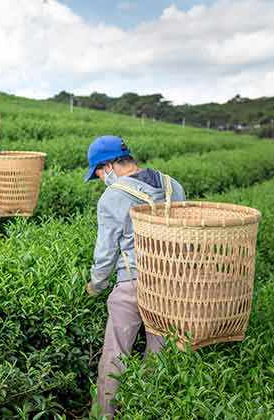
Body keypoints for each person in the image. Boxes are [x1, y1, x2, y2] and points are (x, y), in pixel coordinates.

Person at [84, 135, 186, 419]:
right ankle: (145, 411)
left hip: (133, 283)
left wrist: (96, 285)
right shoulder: (172, 185)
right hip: (172, 283)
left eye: (100, 172)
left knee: (115, 354)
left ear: (110, 166)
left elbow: (105, 255)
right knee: (160, 354)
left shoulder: (112, 197)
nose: (102, 178)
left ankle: (104, 414)